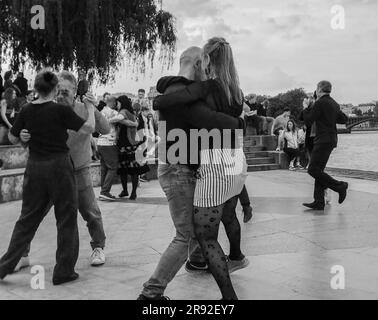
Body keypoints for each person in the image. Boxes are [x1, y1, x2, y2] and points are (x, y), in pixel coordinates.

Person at [138, 45, 247, 300]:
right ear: (199, 65)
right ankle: (151, 293)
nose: (208, 72)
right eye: (205, 67)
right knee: (184, 234)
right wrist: (240, 123)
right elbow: (210, 120)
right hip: (178, 170)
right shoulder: (181, 92)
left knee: (200, 224)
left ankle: (198, 260)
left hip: (182, 167)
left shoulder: (178, 88)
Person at [0, 70, 95, 285]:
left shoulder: (26, 110)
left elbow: (14, 137)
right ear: (54, 89)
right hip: (59, 167)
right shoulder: (60, 110)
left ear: (35, 87)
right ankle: (63, 271)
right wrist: (90, 107)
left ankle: (4, 266)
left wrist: (23, 134)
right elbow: (89, 127)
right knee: (66, 218)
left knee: (27, 219)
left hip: (35, 167)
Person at [15, 71, 111, 270]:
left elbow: (105, 129)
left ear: (75, 91)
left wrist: (94, 107)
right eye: (57, 90)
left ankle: (98, 247)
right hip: (51, 173)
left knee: (91, 212)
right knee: (35, 214)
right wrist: (24, 138)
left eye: (65, 91)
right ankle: (22, 254)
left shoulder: (83, 109)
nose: (60, 95)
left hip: (79, 170)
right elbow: (28, 142)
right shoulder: (45, 110)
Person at [302, 80, 349, 211]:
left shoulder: (320, 103)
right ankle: (318, 201)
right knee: (319, 170)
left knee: (312, 169)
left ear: (319, 89)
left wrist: (306, 107)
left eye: (316, 88)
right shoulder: (334, 103)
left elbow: (308, 120)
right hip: (331, 139)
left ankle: (340, 186)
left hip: (323, 140)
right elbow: (344, 119)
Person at [110, 95, 149, 200]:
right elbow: (132, 123)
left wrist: (108, 119)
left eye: (118, 103)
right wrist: (133, 123)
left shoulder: (123, 111)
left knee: (123, 169)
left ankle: (126, 191)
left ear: (121, 103)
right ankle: (132, 192)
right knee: (133, 170)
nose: (117, 105)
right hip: (132, 144)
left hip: (125, 144)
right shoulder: (131, 112)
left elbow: (119, 119)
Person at [97, 95, 119, 201]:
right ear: (114, 103)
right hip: (109, 143)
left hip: (100, 143)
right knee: (113, 167)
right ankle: (105, 191)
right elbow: (123, 120)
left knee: (104, 168)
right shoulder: (114, 113)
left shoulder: (101, 112)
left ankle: (103, 191)